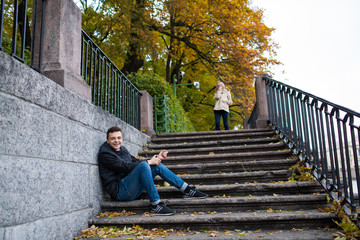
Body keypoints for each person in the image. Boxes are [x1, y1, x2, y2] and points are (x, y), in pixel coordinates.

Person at [98, 126, 208, 216]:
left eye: (119, 138)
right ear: (108, 140)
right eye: (113, 138)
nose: (117, 141)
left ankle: (187, 190)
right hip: (120, 192)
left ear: (122, 138)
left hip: (131, 187)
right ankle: (155, 205)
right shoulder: (105, 154)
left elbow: (135, 162)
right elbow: (125, 167)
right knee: (145, 165)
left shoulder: (122, 149)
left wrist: (156, 159)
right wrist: (149, 162)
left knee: (155, 166)